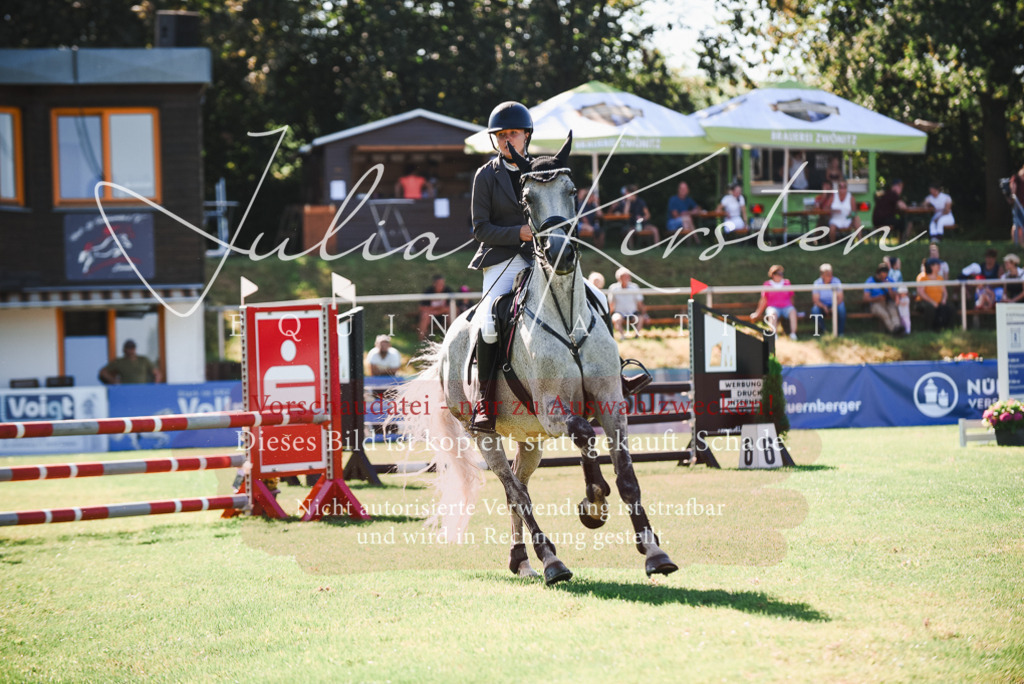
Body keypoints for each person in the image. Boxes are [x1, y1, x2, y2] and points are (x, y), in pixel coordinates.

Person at [751, 264, 798, 339]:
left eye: (781, 274)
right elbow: (763, 300)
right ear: (773, 275)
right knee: (773, 313)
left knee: (792, 311)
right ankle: (774, 334)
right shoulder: (767, 284)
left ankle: (793, 334)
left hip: (786, 307)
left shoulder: (787, 283)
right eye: (778, 274)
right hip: (773, 307)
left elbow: (791, 297)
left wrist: (793, 307)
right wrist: (758, 313)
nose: (780, 275)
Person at [864, 262, 903, 335]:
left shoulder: (889, 280)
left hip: (888, 302)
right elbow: (866, 298)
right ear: (878, 273)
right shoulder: (871, 281)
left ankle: (897, 327)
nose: (885, 275)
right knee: (884, 314)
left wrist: (890, 289)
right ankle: (894, 330)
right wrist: (877, 298)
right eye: (883, 273)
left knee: (893, 311)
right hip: (876, 304)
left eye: (886, 273)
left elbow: (894, 297)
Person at [608, 267, 648, 337]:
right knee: (616, 319)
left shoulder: (635, 287)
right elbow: (611, 304)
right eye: (623, 276)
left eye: (627, 276)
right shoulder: (613, 288)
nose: (626, 278)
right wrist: (608, 316)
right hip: (619, 313)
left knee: (640, 319)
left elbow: (640, 303)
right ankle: (623, 336)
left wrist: (645, 314)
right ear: (619, 278)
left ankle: (636, 336)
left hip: (633, 313)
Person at [916, 257, 952, 330]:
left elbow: (945, 292)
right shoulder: (922, 277)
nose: (939, 266)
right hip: (924, 302)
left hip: (938, 302)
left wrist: (944, 299)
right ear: (931, 266)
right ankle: (928, 329)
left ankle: (947, 329)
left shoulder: (940, 278)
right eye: (937, 264)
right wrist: (932, 302)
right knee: (930, 308)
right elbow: (921, 292)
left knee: (950, 307)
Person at [810, 263, 846, 336]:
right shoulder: (817, 283)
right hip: (822, 305)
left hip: (835, 304)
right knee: (815, 310)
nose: (830, 275)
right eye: (827, 274)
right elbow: (815, 300)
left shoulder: (836, 281)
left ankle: (840, 332)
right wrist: (823, 307)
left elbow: (840, 298)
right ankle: (824, 331)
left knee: (841, 308)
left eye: (830, 273)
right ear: (822, 275)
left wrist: (834, 306)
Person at [418, 274, 453, 339]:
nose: (441, 285)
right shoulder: (428, 291)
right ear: (434, 284)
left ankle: (453, 337)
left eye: (442, 283)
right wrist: (439, 309)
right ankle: (421, 339)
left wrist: (436, 310)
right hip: (431, 316)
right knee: (425, 315)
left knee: (451, 313)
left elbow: (451, 307)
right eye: (439, 284)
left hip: (443, 316)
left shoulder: (447, 291)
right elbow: (422, 308)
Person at [885, 256, 911, 334]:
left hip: (899, 295)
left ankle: (902, 329)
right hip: (897, 295)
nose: (900, 264)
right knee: (902, 314)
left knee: (902, 314)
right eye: (898, 263)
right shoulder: (895, 273)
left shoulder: (894, 272)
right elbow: (895, 285)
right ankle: (902, 329)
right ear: (894, 264)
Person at [1008, 165, 1024, 246]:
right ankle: (1016, 244)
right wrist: (1014, 200)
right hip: (1018, 206)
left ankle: (1021, 244)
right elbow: (1013, 191)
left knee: (1021, 225)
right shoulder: (1016, 178)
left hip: (1022, 205)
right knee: (1017, 224)